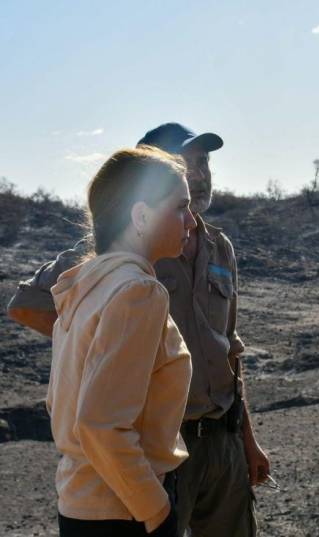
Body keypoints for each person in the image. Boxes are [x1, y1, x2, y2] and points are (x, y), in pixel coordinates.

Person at [7, 123, 269, 537]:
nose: (199, 173)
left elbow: (229, 349)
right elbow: (28, 306)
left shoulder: (219, 247)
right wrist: (111, 360)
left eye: (203, 162)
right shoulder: (120, 251)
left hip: (222, 437)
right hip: (151, 453)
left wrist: (246, 439)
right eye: (185, 164)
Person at [49, 146, 195, 536]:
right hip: (123, 510)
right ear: (142, 216)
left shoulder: (86, 286)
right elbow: (100, 423)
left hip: (82, 503)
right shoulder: (137, 292)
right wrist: (157, 509)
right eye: (181, 207)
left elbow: (62, 405)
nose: (191, 222)